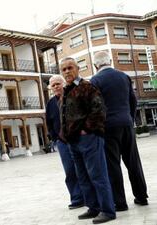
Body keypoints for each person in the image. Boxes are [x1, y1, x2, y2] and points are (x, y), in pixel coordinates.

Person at [90, 51, 148, 210]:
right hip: (127, 124)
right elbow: (133, 100)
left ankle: (120, 202)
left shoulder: (95, 80)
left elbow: (95, 107)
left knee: (113, 165)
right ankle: (142, 197)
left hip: (108, 128)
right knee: (133, 162)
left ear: (96, 65)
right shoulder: (124, 76)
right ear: (110, 61)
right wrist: (129, 117)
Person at [60, 57, 116, 224]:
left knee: (98, 175)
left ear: (77, 69)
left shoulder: (87, 86)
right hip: (73, 141)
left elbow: (99, 110)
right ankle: (93, 207)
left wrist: (86, 130)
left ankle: (107, 210)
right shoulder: (67, 89)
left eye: (70, 68)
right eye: (63, 69)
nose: (67, 71)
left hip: (89, 139)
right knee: (83, 176)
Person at [46, 75, 84, 210]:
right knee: (69, 170)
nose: (56, 86)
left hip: (77, 139)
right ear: (50, 88)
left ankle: (89, 195)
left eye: (58, 83)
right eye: (53, 85)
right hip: (62, 142)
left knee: (83, 169)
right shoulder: (50, 103)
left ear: (63, 84)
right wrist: (55, 138)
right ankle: (77, 198)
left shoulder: (73, 97)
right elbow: (49, 123)